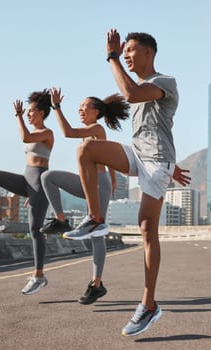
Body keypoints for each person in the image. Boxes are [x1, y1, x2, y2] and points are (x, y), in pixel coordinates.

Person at [64, 29, 191, 335]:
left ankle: (148, 304)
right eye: (125, 51)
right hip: (140, 155)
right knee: (86, 150)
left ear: (150, 53)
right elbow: (151, 128)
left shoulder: (164, 82)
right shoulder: (139, 86)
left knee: (147, 228)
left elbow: (132, 94)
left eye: (132, 50)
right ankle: (96, 218)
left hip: (157, 161)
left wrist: (112, 57)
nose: (128, 55)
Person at [40, 87, 130, 304]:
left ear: (96, 111)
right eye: (79, 107)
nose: (80, 110)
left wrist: (57, 107)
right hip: (89, 183)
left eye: (84, 107)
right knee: (48, 177)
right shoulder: (93, 131)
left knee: (97, 234)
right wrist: (114, 175)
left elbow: (68, 132)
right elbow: (107, 157)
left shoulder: (97, 129)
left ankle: (96, 284)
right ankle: (61, 220)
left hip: (98, 186)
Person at [0, 90, 54, 295]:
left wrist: (18, 116)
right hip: (27, 179)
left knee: (35, 229)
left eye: (31, 111)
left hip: (39, 181)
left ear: (41, 113)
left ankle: (39, 276)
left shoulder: (47, 133)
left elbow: (25, 137)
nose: (29, 114)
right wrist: (29, 190)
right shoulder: (36, 133)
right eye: (27, 112)